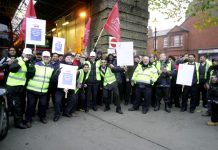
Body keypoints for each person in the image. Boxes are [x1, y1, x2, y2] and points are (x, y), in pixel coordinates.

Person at [6, 48, 34, 129]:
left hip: (21, 87)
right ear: (23, 54)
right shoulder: (17, 60)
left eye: (29, 55)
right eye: (27, 54)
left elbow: (29, 74)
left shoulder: (29, 62)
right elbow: (12, 69)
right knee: (17, 106)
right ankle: (18, 123)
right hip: (13, 87)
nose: (28, 56)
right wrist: (23, 61)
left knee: (22, 104)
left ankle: (20, 120)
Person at [25, 51, 54, 127]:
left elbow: (52, 78)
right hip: (32, 89)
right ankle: (28, 119)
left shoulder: (51, 67)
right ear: (42, 57)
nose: (46, 58)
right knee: (31, 105)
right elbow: (29, 75)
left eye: (47, 57)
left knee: (43, 105)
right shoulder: (36, 64)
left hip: (43, 90)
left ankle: (42, 117)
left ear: (50, 58)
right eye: (44, 56)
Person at [52, 53, 78, 122]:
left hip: (70, 88)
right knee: (57, 101)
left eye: (70, 57)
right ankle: (57, 114)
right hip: (60, 88)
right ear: (64, 58)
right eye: (67, 57)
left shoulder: (74, 67)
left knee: (73, 99)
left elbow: (74, 79)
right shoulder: (59, 66)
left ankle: (66, 112)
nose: (69, 58)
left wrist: (76, 75)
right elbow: (55, 79)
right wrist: (62, 88)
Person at [204, 58, 218, 126]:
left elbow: (215, 79)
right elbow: (207, 76)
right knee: (210, 101)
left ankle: (215, 121)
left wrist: (216, 80)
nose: (215, 62)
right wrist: (206, 83)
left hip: (216, 89)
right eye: (214, 61)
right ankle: (209, 112)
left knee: (215, 104)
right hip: (210, 87)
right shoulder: (210, 68)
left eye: (216, 61)